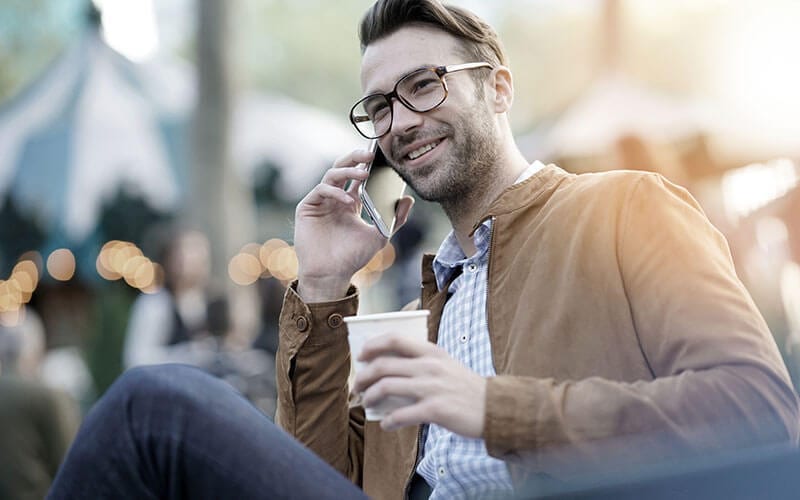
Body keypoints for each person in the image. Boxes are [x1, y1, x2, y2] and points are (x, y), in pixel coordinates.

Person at [50, 1, 799, 499]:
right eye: (379, 106)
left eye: (424, 86)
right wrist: (319, 287)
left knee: (157, 408)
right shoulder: (418, 314)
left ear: (498, 88)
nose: (399, 121)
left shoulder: (623, 209)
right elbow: (317, 479)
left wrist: (495, 407)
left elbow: (761, 409)